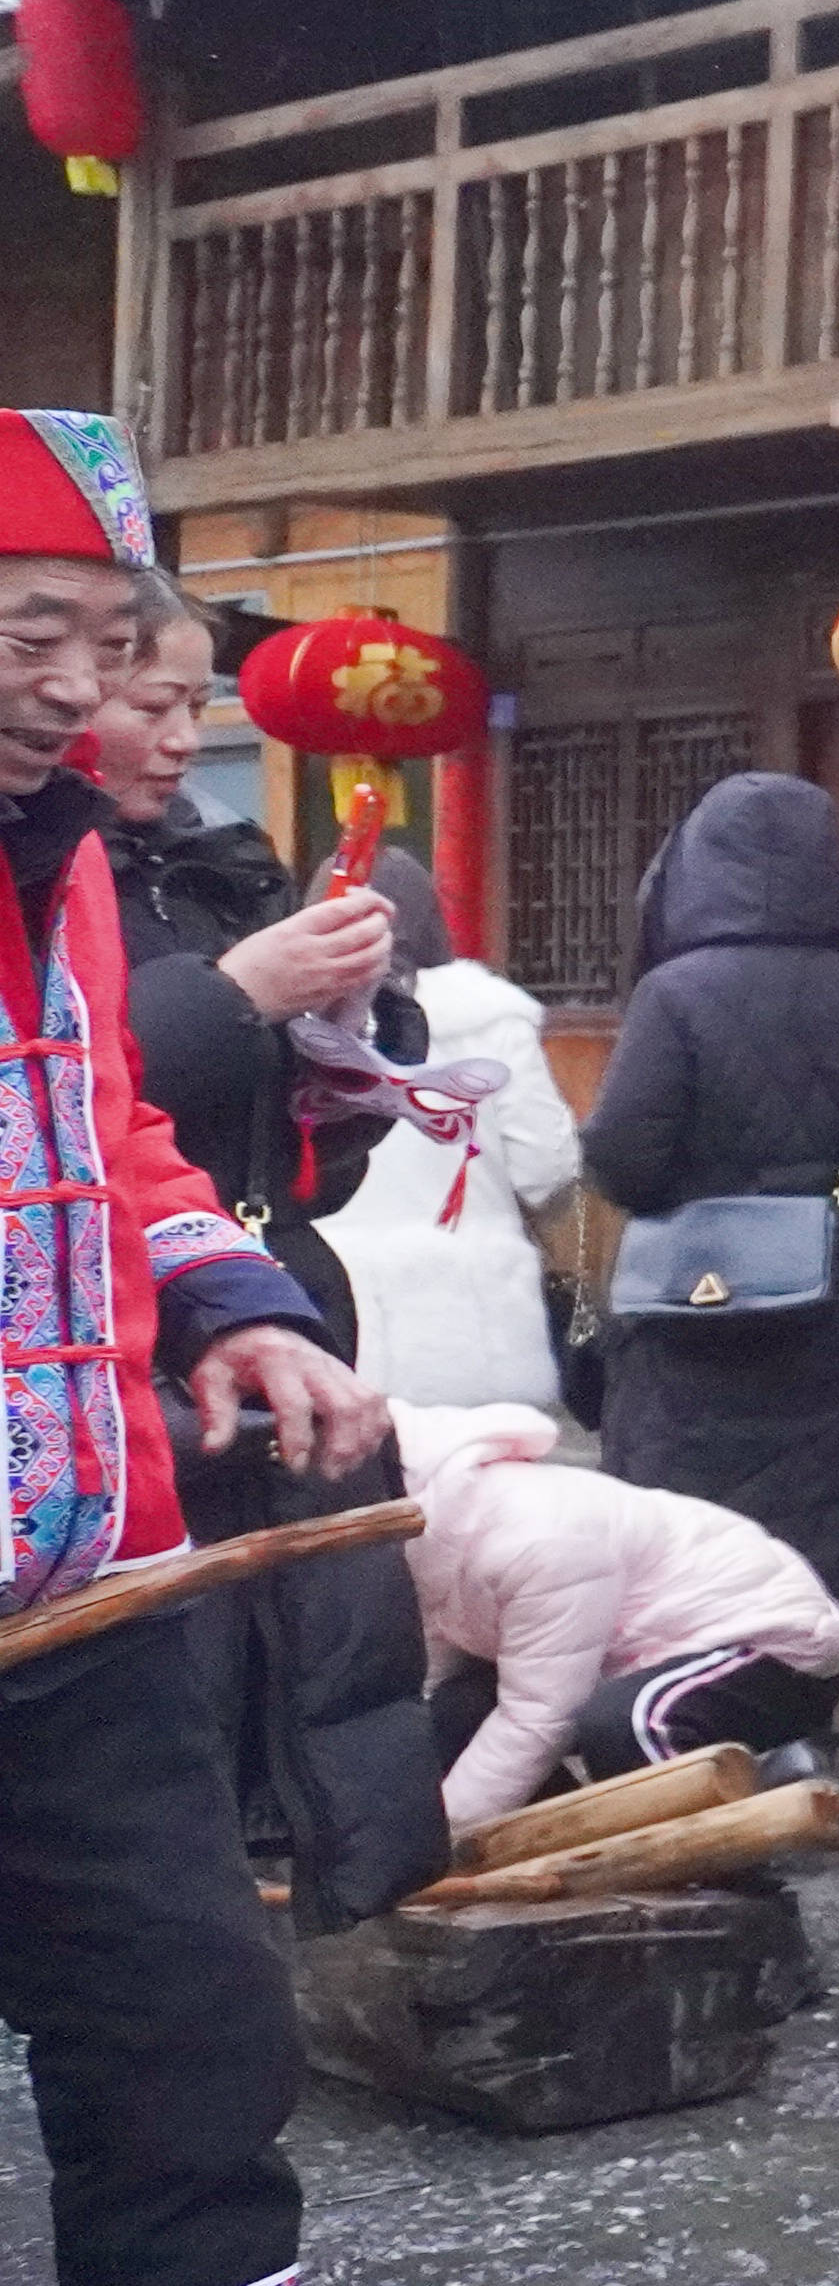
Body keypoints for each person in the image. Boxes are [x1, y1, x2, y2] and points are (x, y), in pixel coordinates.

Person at [0, 408, 509, 2286]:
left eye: (122, 644)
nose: (99, 690)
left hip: (83, 1593)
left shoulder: (80, 876)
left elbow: (104, 1124)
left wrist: (234, 1305)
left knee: (187, 2031)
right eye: (43, 639)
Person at [91, 593, 447, 1934]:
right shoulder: (52, 881)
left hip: (267, 1270)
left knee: (334, 1620)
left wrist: (354, 1044)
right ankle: (178, 1914)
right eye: (156, 706)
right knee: (169, 1635)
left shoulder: (225, 860)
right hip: (123, 1296)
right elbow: (86, 1095)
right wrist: (237, 991)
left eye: (199, 706)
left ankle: (349, 1889)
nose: (186, 739)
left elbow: (296, 1150)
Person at [581, 777, 839, 1670]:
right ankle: (805, 1708)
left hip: (691, 1306)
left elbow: (625, 1160)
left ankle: (687, 1707)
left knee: (686, 1516)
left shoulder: (675, 992)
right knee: (833, 1502)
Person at [396, 1401, 839, 1828]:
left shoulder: (531, 1539)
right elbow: (436, 1680)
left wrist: (446, 1836)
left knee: (631, 1725)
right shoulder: (433, 1534)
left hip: (765, 1643)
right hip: (636, 1655)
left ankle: (729, 1839)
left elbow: (541, 1714)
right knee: (458, 1712)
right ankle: (567, 1843)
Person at [320, 851, 581, 1415]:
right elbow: (546, 1166)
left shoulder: (302, 1015)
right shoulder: (490, 1018)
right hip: (477, 1320)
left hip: (338, 1310)